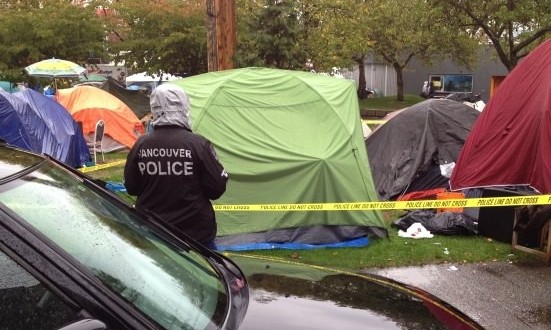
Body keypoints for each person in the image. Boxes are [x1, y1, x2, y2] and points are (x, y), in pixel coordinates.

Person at [124, 84, 228, 248]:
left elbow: (131, 187)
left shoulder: (141, 145)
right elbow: (217, 188)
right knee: (206, 273)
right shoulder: (198, 144)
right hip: (196, 234)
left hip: (154, 232)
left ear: (154, 108)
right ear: (184, 106)